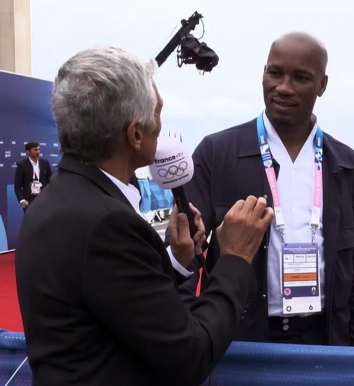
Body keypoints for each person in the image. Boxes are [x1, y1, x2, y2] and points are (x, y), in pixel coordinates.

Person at [14, 46, 274, 386]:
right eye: (158, 112)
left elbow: (117, 300)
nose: (161, 125)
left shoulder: (55, 200)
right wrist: (235, 259)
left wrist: (176, 261)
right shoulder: (107, 223)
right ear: (135, 134)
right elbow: (191, 355)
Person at [168, 32, 354, 347]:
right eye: (275, 73)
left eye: (300, 78)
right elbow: (186, 249)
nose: (283, 87)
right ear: (263, 73)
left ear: (322, 85)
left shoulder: (345, 165)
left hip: (324, 339)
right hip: (238, 340)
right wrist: (183, 337)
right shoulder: (216, 153)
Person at [14, 141, 52, 211]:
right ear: (28, 152)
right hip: (29, 201)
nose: (38, 151)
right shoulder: (22, 165)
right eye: (35, 149)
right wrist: (22, 200)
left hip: (45, 199)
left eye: (38, 149)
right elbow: (17, 185)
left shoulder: (45, 163)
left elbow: (50, 180)